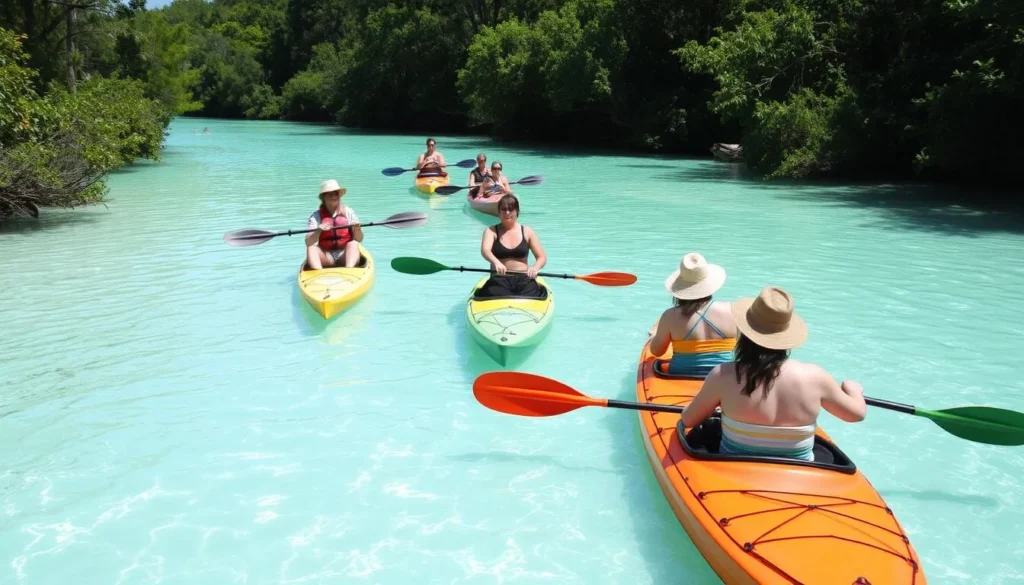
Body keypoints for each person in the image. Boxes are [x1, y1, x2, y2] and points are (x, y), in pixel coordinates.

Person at [679, 286, 868, 462]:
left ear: (745, 333)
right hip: (799, 469)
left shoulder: (723, 375)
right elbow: (856, 415)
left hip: (735, 462)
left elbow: (688, 419)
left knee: (706, 431)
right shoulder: (816, 377)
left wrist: (716, 406)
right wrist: (853, 389)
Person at [649, 253, 738, 377]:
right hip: (724, 378)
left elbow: (656, 351)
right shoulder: (731, 310)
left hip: (679, 377)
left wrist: (654, 335)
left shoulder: (670, 316)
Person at [477, 194, 547, 298]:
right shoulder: (491, 231)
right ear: (498, 212)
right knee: (493, 293)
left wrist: (535, 268)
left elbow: (541, 257)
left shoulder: (527, 231)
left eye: (511, 209)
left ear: (517, 211)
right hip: (499, 279)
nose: (507, 213)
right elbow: (485, 250)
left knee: (533, 294)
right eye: (504, 209)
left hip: (524, 278)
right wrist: (496, 263)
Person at [304, 179, 363, 270]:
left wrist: (357, 229)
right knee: (311, 247)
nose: (334, 196)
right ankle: (318, 273)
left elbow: (359, 239)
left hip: (344, 255)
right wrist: (318, 230)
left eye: (336, 193)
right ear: (323, 197)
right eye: (330, 193)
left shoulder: (348, 212)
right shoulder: (316, 216)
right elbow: (308, 242)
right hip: (326, 256)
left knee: (354, 244)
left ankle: (349, 270)